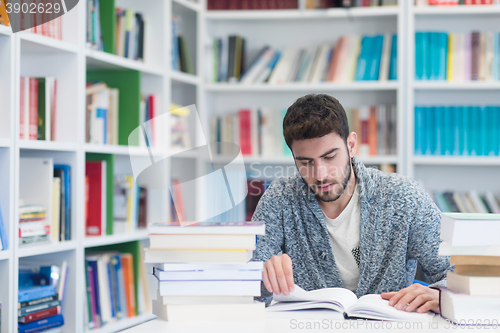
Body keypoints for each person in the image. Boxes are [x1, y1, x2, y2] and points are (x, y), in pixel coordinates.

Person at [251, 94, 454, 314]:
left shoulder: (405, 198)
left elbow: (457, 275)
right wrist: (263, 277)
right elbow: (245, 288)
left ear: (351, 145)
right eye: (306, 162)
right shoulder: (279, 199)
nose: (320, 175)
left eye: (330, 157)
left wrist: (441, 295)